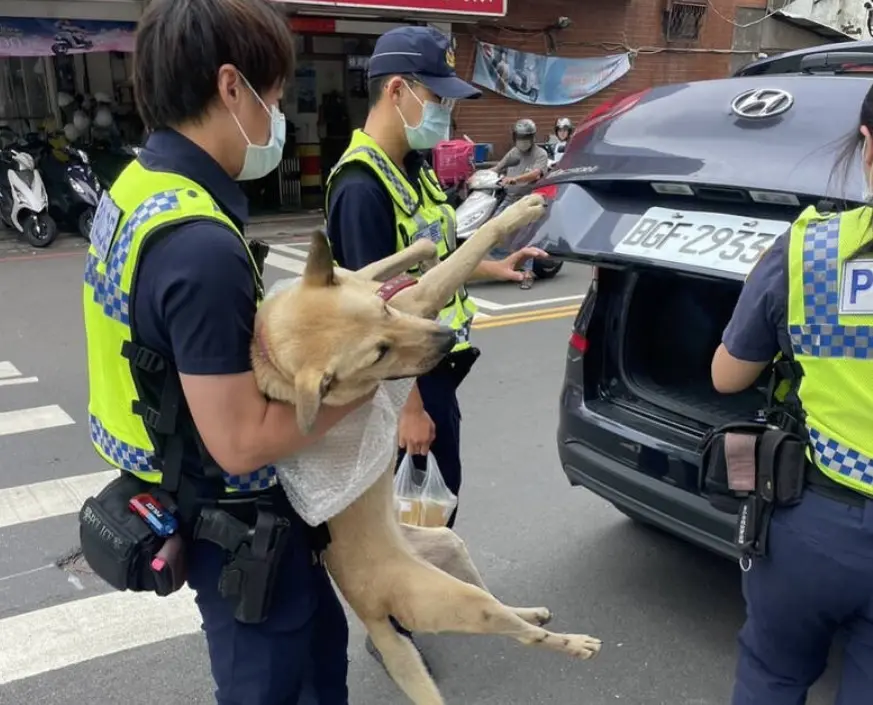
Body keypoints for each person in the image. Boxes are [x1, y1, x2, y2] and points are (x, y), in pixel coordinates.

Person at [82, 1, 367, 702]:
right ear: (231, 87)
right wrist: (364, 384)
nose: (276, 118)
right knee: (281, 684)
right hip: (239, 525)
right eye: (272, 98)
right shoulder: (199, 246)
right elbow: (241, 441)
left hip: (179, 485)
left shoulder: (135, 188)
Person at [324, 25, 545, 666]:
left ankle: (405, 607)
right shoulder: (361, 187)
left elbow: (436, 263)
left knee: (430, 498)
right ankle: (393, 620)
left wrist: (497, 266)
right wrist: (411, 407)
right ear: (398, 91)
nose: (445, 113)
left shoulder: (411, 169)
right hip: (404, 384)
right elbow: (377, 322)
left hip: (435, 368)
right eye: (438, 97)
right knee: (416, 507)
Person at [711, 81, 873, 705]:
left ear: (866, 142)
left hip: (814, 527)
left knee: (774, 676)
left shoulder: (809, 249)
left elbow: (728, 376)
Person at [491, 118, 549, 289]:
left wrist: (514, 179)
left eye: (526, 137)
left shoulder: (540, 154)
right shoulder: (514, 152)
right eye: (519, 137)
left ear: (532, 138)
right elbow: (498, 168)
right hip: (510, 198)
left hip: (529, 200)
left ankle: (527, 273)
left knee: (525, 236)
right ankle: (513, 257)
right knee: (491, 231)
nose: (522, 141)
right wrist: (481, 175)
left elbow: (536, 174)